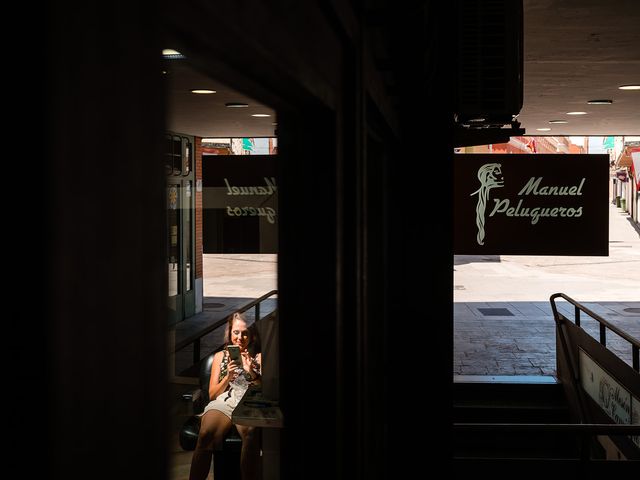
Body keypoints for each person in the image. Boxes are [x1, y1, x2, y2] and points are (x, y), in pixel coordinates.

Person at [189, 311, 262, 480]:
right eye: (236, 332)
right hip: (226, 398)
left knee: (250, 433)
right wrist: (228, 376)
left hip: (250, 399)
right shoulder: (220, 356)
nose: (240, 337)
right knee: (205, 433)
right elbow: (213, 394)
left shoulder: (258, 357)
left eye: (245, 333)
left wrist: (251, 372)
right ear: (230, 333)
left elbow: (264, 389)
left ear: (251, 336)